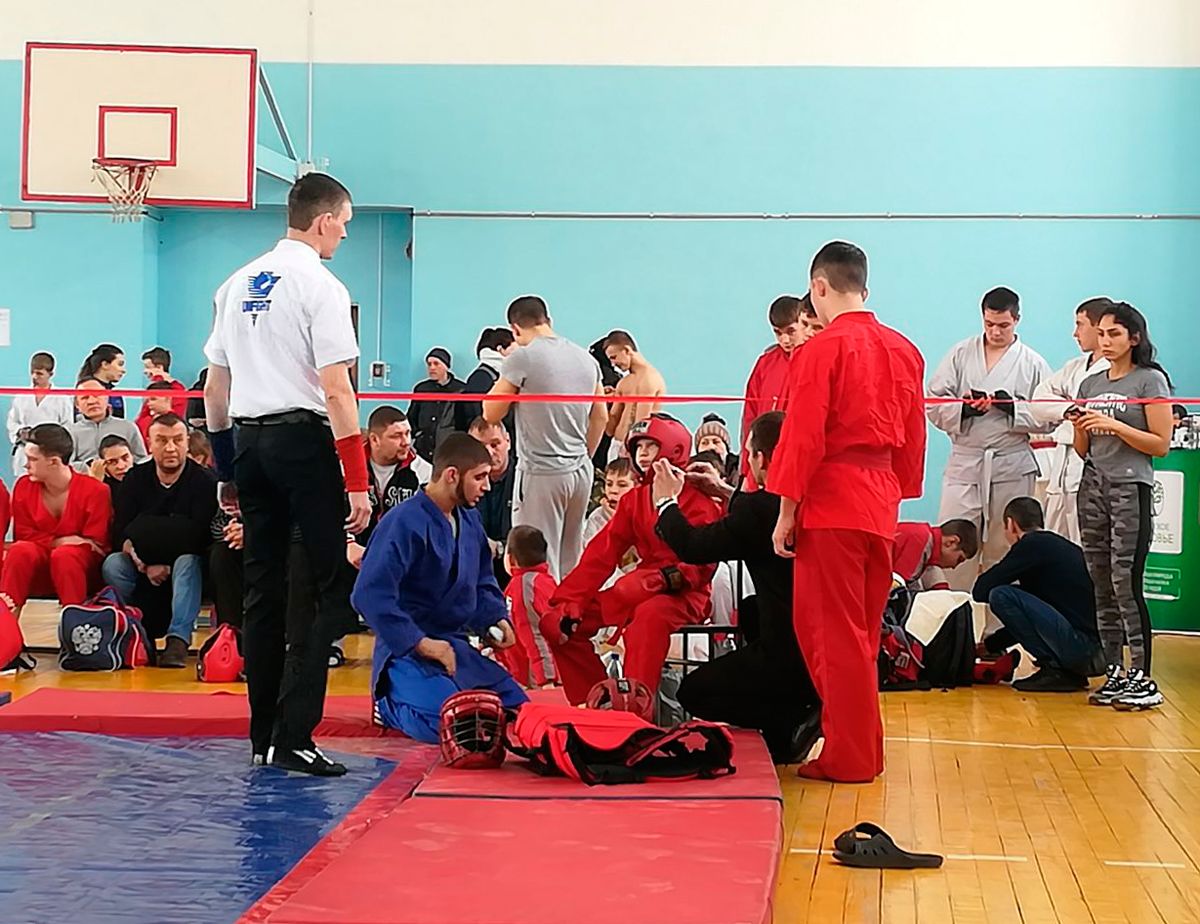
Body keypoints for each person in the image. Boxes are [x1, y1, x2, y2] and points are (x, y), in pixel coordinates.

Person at [204, 171, 371, 777]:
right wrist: (357, 479)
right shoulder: (321, 286)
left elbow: (215, 389)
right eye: (344, 224)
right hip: (302, 442)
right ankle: (295, 733)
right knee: (329, 587)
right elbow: (337, 389)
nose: (344, 235)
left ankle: (262, 736)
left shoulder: (235, 283)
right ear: (324, 221)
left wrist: (226, 466)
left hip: (248, 441)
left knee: (263, 589)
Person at [769, 241, 926, 784]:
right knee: (859, 634)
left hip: (833, 500)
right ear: (863, 286)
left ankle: (851, 755)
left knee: (829, 635)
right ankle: (863, 749)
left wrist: (786, 510)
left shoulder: (820, 351)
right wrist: (896, 491)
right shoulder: (905, 350)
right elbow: (913, 437)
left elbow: (803, 436)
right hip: (879, 502)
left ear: (818, 287)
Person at [653, 411, 820, 762]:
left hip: (789, 652)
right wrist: (722, 489)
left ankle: (790, 720)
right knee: (751, 610)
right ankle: (794, 714)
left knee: (694, 692)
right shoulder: (813, 499)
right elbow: (761, 512)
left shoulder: (759, 512)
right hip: (823, 643)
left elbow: (693, 546)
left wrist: (665, 501)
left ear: (760, 458)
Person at [351, 433, 528, 742]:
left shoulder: (470, 520)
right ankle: (388, 705)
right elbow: (368, 594)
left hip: (453, 646)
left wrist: (495, 620)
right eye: (479, 477)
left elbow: (482, 581)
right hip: (405, 652)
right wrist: (421, 643)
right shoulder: (402, 522)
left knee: (517, 708)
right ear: (452, 475)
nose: (487, 487)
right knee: (458, 727)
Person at [542, 415, 722, 703]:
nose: (643, 454)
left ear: (675, 449)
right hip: (636, 589)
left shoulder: (700, 500)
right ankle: (600, 700)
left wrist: (661, 579)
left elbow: (703, 565)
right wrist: (569, 599)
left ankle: (636, 709)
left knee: (648, 619)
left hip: (685, 596)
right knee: (557, 624)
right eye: (639, 447)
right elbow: (601, 554)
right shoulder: (634, 500)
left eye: (651, 446)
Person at [1073, 302, 1173, 711]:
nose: (1105, 341)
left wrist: (1114, 424)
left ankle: (1142, 676)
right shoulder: (1090, 384)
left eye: (1114, 333)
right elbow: (1083, 449)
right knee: (1100, 582)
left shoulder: (1150, 380)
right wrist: (1080, 425)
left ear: (1133, 337)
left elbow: (1160, 445)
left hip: (1130, 486)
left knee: (1124, 582)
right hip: (1092, 486)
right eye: (1101, 333)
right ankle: (1114, 669)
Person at [927, 287, 1053, 587]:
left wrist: (1012, 408)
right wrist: (964, 410)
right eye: (989, 324)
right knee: (954, 540)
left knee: (1008, 545)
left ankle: (1002, 616)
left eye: (1003, 325)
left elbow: (1049, 415)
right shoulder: (960, 354)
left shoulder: (1033, 363)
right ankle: (953, 612)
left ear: (1017, 320)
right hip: (966, 461)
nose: (995, 331)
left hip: (1011, 463)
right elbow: (932, 401)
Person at [484, 295, 608, 579]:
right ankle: (568, 609)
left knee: (534, 561)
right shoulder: (585, 358)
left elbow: (491, 413)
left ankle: (539, 611)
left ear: (515, 329)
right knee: (570, 558)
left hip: (542, 472)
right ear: (548, 321)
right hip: (580, 471)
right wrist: (582, 456)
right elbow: (600, 416)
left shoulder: (522, 357)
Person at [102, 414, 217, 667]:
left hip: (187, 566)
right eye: (162, 440)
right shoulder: (135, 478)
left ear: (187, 442)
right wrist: (144, 563)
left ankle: (178, 640)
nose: (170, 448)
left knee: (187, 562)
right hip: (142, 563)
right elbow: (122, 532)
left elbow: (200, 535)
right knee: (114, 564)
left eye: (177, 440)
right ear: (149, 443)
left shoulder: (204, 480)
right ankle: (136, 633)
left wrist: (151, 536)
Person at [970, 496, 1101, 692]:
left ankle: (1054, 669)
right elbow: (1031, 619)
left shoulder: (1030, 545)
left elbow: (981, 590)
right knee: (1013, 597)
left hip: (1081, 649)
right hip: (1095, 653)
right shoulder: (1057, 547)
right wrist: (990, 645)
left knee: (1001, 595)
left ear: (1011, 524)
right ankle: (1067, 673)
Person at [0, 424, 111, 629]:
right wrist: (60, 541)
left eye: (32, 459)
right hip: (39, 565)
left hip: (81, 570)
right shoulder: (24, 486)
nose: (26, 465)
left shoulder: (96, 490)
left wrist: (62, 545)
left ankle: (75, 629)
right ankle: (5, 628)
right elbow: (23, 535)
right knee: (20, 551)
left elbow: (97, 544)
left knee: (66, 556)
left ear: (54, 462)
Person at [1029, 298, 1113, 543]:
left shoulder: (1116, 370)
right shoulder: (1074, 367)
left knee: (1087, 543)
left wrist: (1073, 408)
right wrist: (1068, 409)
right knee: (1056, 542)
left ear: (1099, 328)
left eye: (1080, 324)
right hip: (1061, 467)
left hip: (1092, 462)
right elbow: (1039, 399)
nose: (1075, 333)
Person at [740, 294, 823, 484]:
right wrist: (746, 470)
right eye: (778, 333)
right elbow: (749, 418)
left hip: (796, 466)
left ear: (802, 324)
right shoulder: (765, 364)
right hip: (760, 467)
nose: (785, 340)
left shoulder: (815, 362)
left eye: (791, 331)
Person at [499, 524, 558, 688]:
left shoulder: (523, 588)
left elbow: (534, 636)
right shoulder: (547, 581)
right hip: (543, 671)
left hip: (534, 679)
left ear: (511, 559)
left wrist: (546, 681)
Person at [442, 328, 518, 438]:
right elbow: (480, 424)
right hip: (489, 443)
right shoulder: (481, 378)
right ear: (500, 349)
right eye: (515, 350)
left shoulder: (495, 375)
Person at [8, 351, 74, 476]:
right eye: (32, 372)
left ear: (51, 374)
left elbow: (68, 426)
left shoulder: (62, 398)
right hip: (25, 451)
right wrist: (20, 431)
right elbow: (12, 422)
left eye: (39, 374)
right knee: (24, 484)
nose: (34, 376)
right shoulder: (21, 396)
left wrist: (52, 438)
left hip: (50, 452)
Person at [468, 416, 516, 587]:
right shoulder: (464, 484)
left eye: (495, 444)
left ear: (508, 441)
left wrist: (499, 548)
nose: (489, 452)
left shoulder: (526, 479)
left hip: (516, 574)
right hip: (475, 573)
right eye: (481, 447)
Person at [603, 330, 666, 447]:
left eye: (614, 357)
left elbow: (642, 423)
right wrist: (603, 401)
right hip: (616, 445)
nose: (613, 364)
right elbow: (609, 430)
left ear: (627, 350)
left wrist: (632, 449)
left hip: (635, 447)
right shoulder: (623, 383)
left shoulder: (650, 379)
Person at [69, 378, 147, 465]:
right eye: (85, 397)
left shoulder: (128, 427)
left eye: (97, 395)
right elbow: (66, 465)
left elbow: (142, 460)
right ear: (77, 405)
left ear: (107, 397)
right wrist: (90, 466)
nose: (92, 401)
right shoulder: (70, 432)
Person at [408, 348, 465, 463]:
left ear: (446, 366)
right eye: (429, 364)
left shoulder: (460, 389)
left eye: (436, 363)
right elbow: (412, 417)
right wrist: (417, 435)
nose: (432, 368)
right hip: (423, 449)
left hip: (449, 448)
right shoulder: (421, 389)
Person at [892, 519, 979, 591]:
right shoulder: (920, 540)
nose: (954, 567)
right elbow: (897, 587)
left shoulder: (926, 543)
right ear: (951, 542)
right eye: (959, 559)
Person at [137, 347, 189, 420]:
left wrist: (158, 379)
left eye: (148, 367)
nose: (145, 371)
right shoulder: (152, 387)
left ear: (159, 367)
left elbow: (175, 416)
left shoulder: (177, 388)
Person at [78, 344, 127, 419]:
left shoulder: (116, 395)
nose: (124, 370)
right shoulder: (82, 391)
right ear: (105, 364)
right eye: (120, 364)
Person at [693, 414, 740, 484]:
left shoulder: (741, 470)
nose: (711, 447)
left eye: (716, 442)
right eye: (704, 443)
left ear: (726, 448)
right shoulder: (687, 472)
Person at [135, 380, 179, 446]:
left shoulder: (177, 424)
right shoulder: (145, 421)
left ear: (167, 398)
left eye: (153, 399)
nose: (149, 403)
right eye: (147, 401)